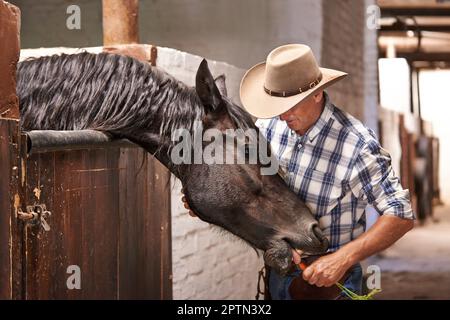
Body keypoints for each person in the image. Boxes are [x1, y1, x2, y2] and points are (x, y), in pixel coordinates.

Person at [183, 44, 415, 299]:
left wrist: (343, 258)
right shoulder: (270, 128)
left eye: (291, 104)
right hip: (277, 277)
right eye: (277, 104)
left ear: (317, 94)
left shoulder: (356, 144)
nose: (283, 115)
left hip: (331, 286)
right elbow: (255, 191)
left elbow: (400, 214)